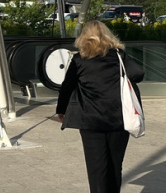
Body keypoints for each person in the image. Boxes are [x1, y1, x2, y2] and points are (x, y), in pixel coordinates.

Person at [56, 20, 144, 193]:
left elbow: (67, 87)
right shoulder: (118, 56)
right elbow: (138, 73)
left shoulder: (79, 60)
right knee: (114, 166)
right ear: (107, 36)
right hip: (118, 119)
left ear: (84, 38)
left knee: (97, 169)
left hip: (90, 122)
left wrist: (61, 109)